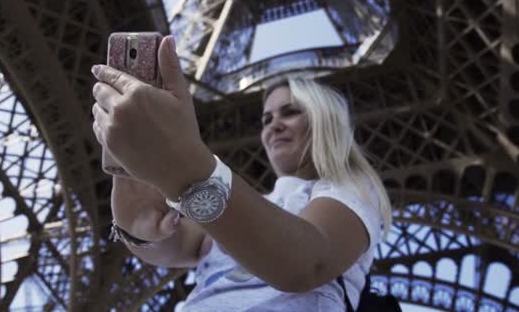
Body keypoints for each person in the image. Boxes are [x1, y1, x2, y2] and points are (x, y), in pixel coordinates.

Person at [91, 35, 392, 311]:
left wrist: (189, 171)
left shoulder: (350, 188)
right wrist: (140, 229)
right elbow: (176, 244)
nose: (274, 125)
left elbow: (305, 264)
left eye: (291, 112)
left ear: (323, 120)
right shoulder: (243, 205)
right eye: (266, 118)